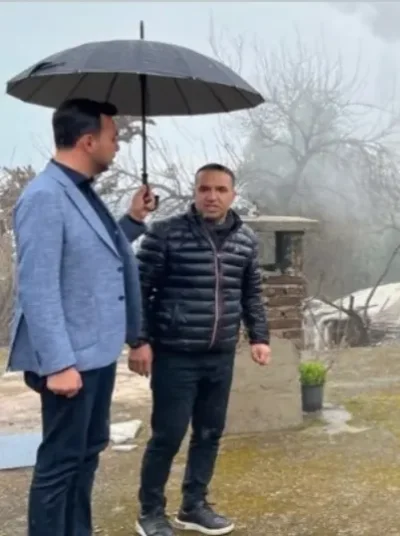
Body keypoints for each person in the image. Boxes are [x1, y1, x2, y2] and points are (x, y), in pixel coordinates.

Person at [7, 98, 156, 536]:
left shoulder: (80, 191)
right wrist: (57, 364)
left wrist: (132, 219)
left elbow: (97, 254)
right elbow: (36, 286)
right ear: (88, 140)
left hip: (94, 353)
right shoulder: (45, 197)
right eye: (112, 138)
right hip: (68, 361)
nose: (117, 147)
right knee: (59, 464)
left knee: (87, 452)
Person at [131, 162, 271, 536]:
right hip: (175, 353)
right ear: (195, 193)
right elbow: (138, 292)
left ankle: (193, 506)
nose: (212, 196)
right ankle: (150, 512)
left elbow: (251, 293)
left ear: (232, 195)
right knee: (168, 435)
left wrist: (259, 337)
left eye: (220, 190)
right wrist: (139, 341)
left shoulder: (245, 240)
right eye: (204, 189)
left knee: (210, 433)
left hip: (220, 353)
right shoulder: (165, 234)